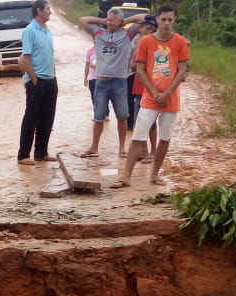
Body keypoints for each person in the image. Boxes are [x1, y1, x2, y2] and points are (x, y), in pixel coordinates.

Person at [111, 5, 188, 188]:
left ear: (173, 20)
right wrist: (154, 92)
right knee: (138, 135)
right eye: (164, 19)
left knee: (165, 138)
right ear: (158, 20)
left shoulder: (180, 42)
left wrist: (167, 92)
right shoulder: (146, 42)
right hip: (149, 97)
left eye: (170, 20)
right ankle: (126, 176)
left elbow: (182, 70)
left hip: (171, 98)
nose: (167, 23)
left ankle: (154, 175)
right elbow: (140, 69)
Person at [78, 9, 145, 159]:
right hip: (101, 82)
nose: (109, 22)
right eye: (108, 19)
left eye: (112, 20)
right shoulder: (98, 33)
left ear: (120, 21)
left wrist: (126, 22)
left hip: (119, 82)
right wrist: (102, 21)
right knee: (98, 117)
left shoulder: (127, 34)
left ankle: (122, 148)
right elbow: (82, 19)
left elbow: (144, 17)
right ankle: (94, 148)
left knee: (122, 117)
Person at [17, 0, 57, 165]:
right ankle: (23, 155)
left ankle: (41, 152)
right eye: (48, 9)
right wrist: (35, 80)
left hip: (50, 79)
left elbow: (48, 56)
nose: (50, 12)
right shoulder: (30, 31)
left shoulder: (47, 31)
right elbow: (25, 59)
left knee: (47, 118)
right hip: (37, 80)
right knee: (31, 118)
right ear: (39, 11)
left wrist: (53, 76)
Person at [130, 14, 158, 162]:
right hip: (139, 87)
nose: (143, 30)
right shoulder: (139, 44)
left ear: (153, 30)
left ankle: (153, 151)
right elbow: (133, 66)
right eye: (143, 27)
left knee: (151, 122)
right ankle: (144, 150)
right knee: (138, 121)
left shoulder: (158, 47)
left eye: (147, 28)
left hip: (151, 88)